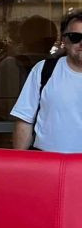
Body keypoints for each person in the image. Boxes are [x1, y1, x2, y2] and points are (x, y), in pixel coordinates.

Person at [10, 10, 82, 152]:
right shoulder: (43, 70)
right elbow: (24, 120)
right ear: (64, 40)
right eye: (75, 37)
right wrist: (19, 164)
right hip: (47, 164)